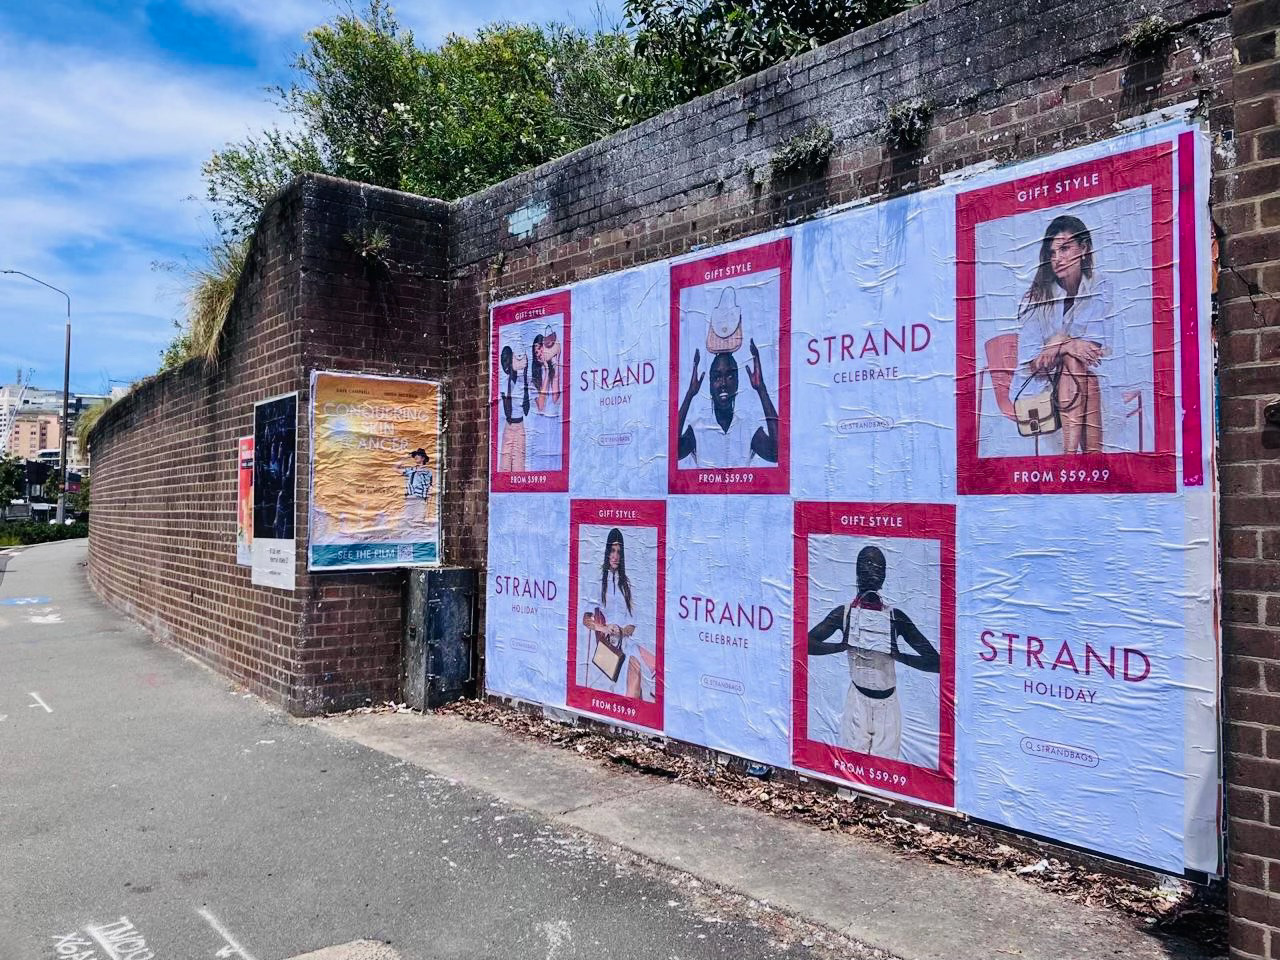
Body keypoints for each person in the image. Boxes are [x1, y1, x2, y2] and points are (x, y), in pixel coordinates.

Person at [807, 545, 939, 761]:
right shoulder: (845, 614)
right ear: (857, 572)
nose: (871, 571)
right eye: (865, 566)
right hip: (857, 701)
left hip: (887, 706)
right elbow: (805, 643)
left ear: (884, 576)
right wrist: (840, 646)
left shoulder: (895, 617)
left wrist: (899, 656)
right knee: (851, 766)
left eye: (877, 567)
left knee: (884, 767)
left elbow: (936, 662)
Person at [1015, 214, 1115, 454]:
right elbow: (1032, 363)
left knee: (1079, 368)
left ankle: (1072, 459)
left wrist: (1057, 343)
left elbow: (1093, 350)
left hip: (1085, 381)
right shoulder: (1036, 296)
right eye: (1052, 253)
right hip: (1041, 387)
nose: (1057, 259)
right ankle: (1084, 460)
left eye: (1065, 249)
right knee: (1075, 363)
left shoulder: (1100, 286)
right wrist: (1068, 345)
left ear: (1084, 249)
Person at [677, 340, 778, 467]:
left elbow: (777, 453)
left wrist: (761, 388)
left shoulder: (748, 428)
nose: (723, 383)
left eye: (730, 376)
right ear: (710, 386)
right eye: (717, 377)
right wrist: (690, 394)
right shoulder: (698, 428)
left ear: (737, 383)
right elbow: (674, 452)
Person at [581, 528, 656, 701]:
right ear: (607, 553)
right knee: (637, 668)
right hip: (608, 647)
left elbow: (632, 625)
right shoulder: (599, 582)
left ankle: (637, 706)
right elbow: (586, 620)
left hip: (625, 642)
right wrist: (605, 628)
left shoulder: (626, 585)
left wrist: (622, 631)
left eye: (619, 552)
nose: (615, 556)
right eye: (612, 551)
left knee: (644, 667)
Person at [526, 330, 562, 471]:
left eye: (541, 349)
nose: (539, 353)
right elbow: (541, 406)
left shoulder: (553, 368)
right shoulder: (533, 378)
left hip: (553, 425)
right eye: (536, 352)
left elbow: (555, 398)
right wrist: (546, 373)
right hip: (539, 429)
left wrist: (554, 368)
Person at [498, 345, 529, 472]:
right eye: (503, 361)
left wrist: (524, 376)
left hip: (520, 425)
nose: (505, 365)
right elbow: (507, 410)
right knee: (505, 463)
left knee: (518, 464)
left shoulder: (523, 382)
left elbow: (526, 409)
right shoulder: (504, 383)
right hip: (508, 425)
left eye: (507, 360)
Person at [398, 448, 433, 527]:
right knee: (407, 522)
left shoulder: (428, 472)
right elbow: (395, 468)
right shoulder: (411, 470)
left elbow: (430, 486)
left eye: (418, 455)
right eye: (415, 455)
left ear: (423, 458)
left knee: (419, 522)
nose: (416, 456)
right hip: (410, 498)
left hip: (420, 499)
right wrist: (406, 457)